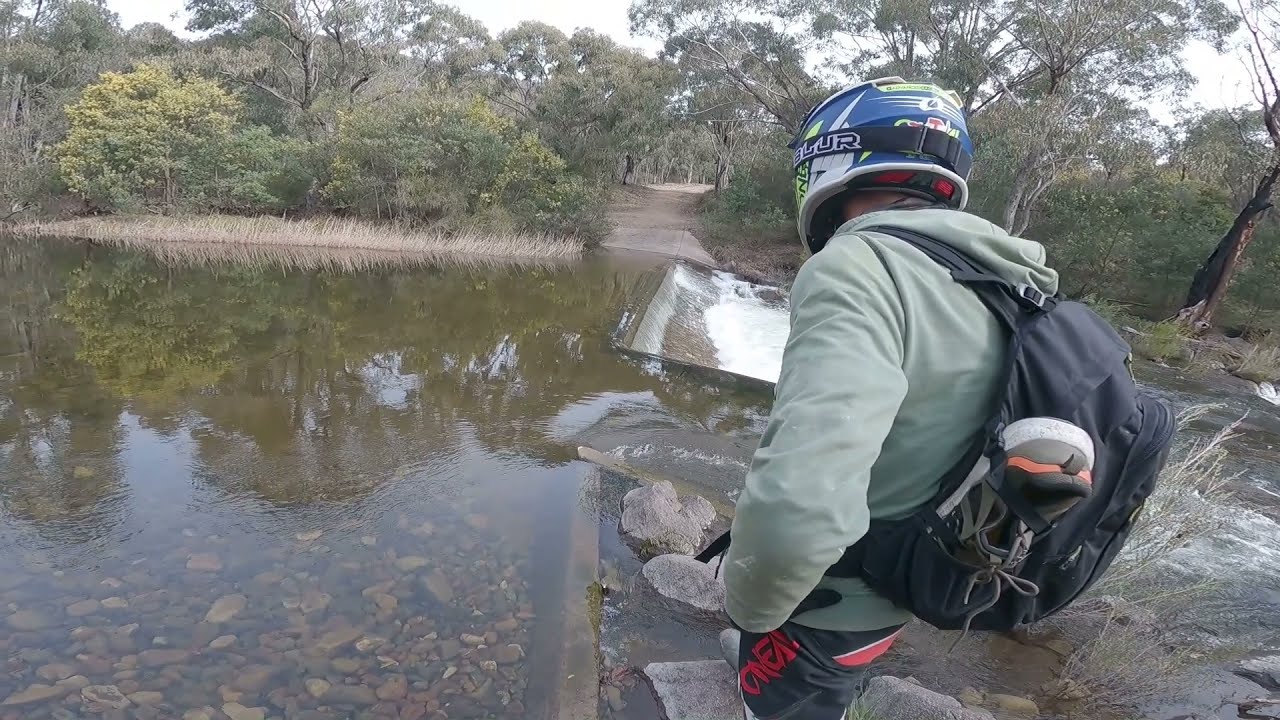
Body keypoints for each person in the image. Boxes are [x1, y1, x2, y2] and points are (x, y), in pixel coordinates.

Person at [719, 77, 1062, 719]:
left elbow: (803, 498)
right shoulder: (1000, 275)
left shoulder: (858, 266)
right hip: (924, 575)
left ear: (832, 160)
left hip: (831, 604)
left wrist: (749, 609)